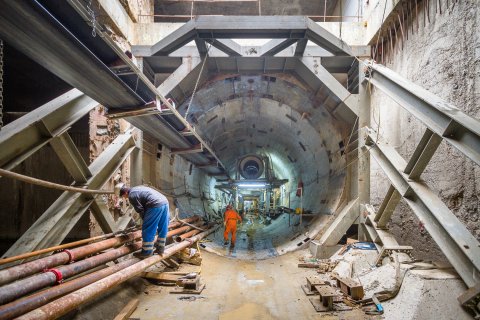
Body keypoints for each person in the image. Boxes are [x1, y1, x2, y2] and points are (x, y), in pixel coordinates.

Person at [115, 183, 169, 258]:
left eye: (123, 196)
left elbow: (141, 210)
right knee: (163, 227)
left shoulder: (132, 195)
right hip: (164, 202)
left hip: (155, 205)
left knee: (148, 230)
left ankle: (147, 252)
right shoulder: (137, 188)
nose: (124, 197)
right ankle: (160, 249)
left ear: (124, 193)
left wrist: (146, 222)